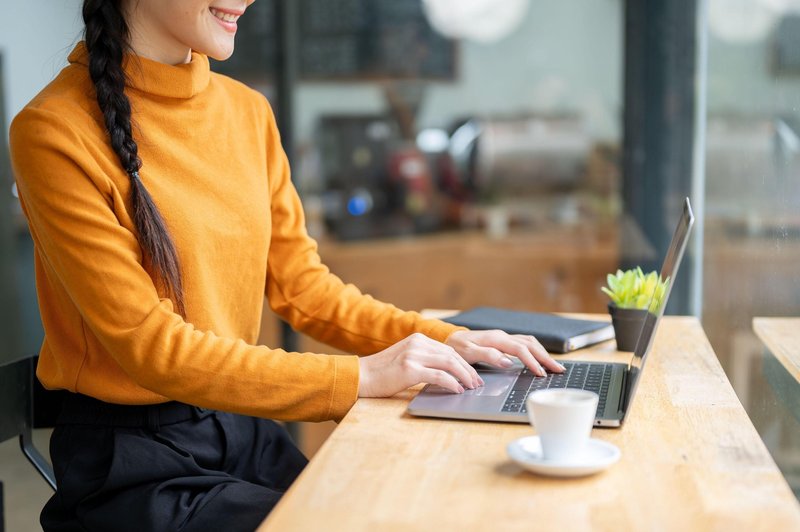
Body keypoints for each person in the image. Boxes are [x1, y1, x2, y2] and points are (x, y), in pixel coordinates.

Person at [9, 1, 564, 530]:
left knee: (405, 503)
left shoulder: (248, 112)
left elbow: (304, 290)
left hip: (239, 426)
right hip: (133, 465)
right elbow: (153, 348)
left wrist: (445, 339)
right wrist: (362, 376)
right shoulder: (53, 131)